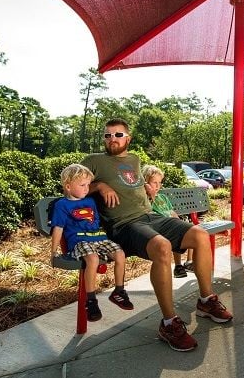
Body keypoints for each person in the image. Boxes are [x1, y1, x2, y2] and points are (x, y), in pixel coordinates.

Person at [81, 119, 232, 352]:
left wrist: (148, 191)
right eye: (107, 135)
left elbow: (135, 185)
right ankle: (169, 323)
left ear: (128, 138)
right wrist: (99, 186)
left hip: (150, 216)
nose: (112, 139)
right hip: (124, 225)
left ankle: (206, 301)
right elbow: (71, 186)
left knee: (200, 235)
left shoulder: (134, 160)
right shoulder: (94, 161)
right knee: (162, 246)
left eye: (118, 135)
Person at [50, 164, 134, 322]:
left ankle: (119, 291)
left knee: (120, 254)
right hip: (79, 241)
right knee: (93, 259)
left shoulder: (90, 201)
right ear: (68, 186)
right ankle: (91, 301)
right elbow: (58, 228)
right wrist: (53, 252)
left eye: (88, 185)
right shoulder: (62, 205)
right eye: (82, 185)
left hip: (99, 238)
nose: (86, 189)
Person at [142, 164, 192, 279]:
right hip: (159, 228)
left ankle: (188, 262)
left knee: (188, 228)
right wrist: (151, 195)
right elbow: (147, 213)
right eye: (154, 183)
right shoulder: (145, 200)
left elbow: (172, 212)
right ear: (146, 183)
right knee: (176, 232)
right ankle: (178, 266)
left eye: (159, 183)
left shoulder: (163, 197)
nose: (157, 186)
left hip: (172, 224)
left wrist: (178, 221)